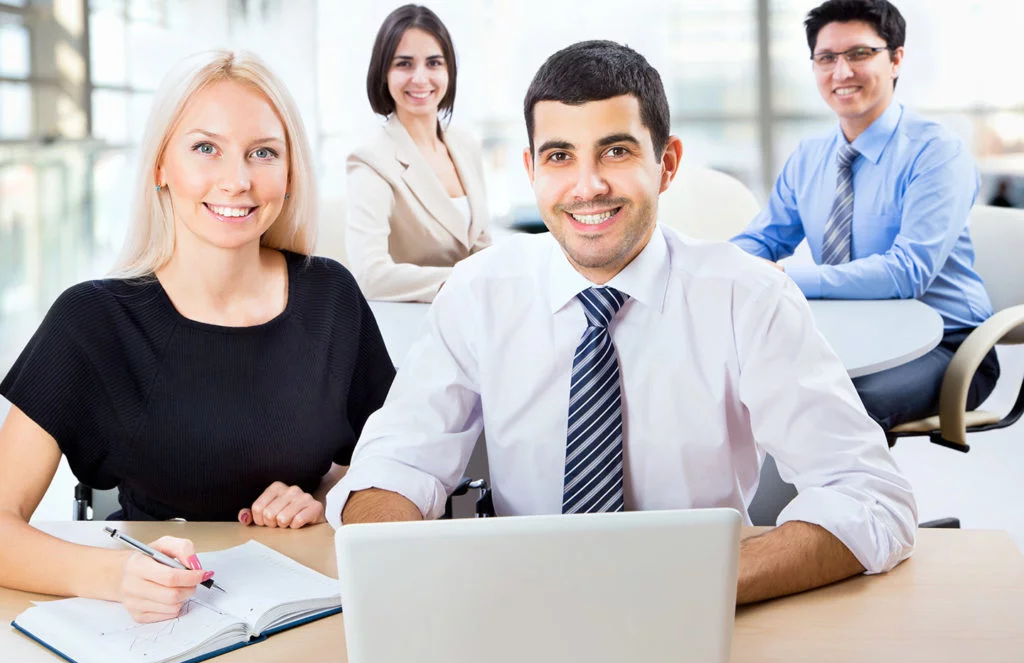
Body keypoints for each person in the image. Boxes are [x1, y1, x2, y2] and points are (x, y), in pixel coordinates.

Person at [327, 40, 918, 605]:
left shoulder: (749, 297)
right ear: (532, 169)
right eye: (560, 156)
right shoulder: (479, 292)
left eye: (616, 150)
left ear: (667, 164)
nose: (587, 186)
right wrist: (407, 574)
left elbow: (870, 496)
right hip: (521, 611)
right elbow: (397, 463)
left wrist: (695, 590)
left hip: (699, 613)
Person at [0, 50, 395, 621]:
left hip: (305, 613)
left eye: (263, 153)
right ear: (162, 165)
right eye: (205, 148)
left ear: (289, 173)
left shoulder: (330, 297)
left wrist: (326, 496)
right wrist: (115, 576)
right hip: (152, 626)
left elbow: (396, 463)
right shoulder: (93, 320)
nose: (237, 181)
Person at [730, 0, 999, 431]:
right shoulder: (809, 157)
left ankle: (861, 501)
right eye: (827, 58)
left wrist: (782, 279)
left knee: (831, 406)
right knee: (740, 388)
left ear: (896, 59)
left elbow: (906, 273)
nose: (842, 72)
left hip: (948, 345)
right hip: (850, 338)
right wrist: (718, 266)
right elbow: (761, 241)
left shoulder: (936, 153)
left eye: (859, 54)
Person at [345, 4, 492, 303]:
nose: (421, 78)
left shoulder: (465, 145)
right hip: (414, 323)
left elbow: (482, 247)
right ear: (383, 72)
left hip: (479, 317)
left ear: (449, 69)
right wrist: (468, 282)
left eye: (434, 63)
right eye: (404, 64)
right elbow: (369, 276)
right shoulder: (371, 160)